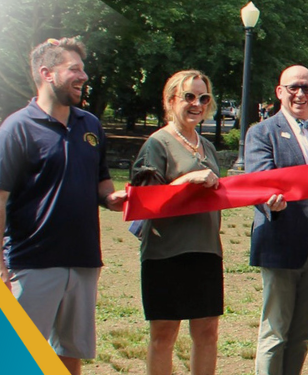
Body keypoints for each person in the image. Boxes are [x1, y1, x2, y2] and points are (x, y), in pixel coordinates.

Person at [0, 37, 127, 375]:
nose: (84, 76)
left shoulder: (89, 125)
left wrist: (111, 197)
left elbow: (101, 180)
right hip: (32, 263)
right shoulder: (17, 128)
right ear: (46, 73)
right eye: (74, 69)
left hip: (83, 262)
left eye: (83, 69)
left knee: (69, 354)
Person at [130, 70, 225, 375]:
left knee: (208, 332)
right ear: (171, 100)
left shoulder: (207, 147)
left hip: (207, 250)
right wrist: (186, 180)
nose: (197, 103)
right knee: (163, 336)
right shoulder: (157, 144)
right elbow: (144, 201)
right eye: (189, 96)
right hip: (165, 252)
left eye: (203, 97)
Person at [243, 65, 308, 375]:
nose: (300, 94)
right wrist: (272, 203)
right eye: (292, 87)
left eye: (307, 88)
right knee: (275, 332)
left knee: (303, 334)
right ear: (279, 91)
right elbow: (259, 179)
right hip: (281, 240)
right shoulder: (262, 132)